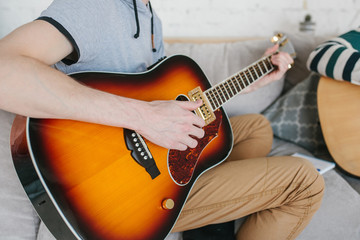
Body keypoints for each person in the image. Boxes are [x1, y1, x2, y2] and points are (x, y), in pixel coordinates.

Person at [0, 0, 324, 239]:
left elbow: (169, 97)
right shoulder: (95, 7)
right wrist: (144, 116)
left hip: (160, 157)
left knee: (256, 127)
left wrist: (249, 80)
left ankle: (206, 224)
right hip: (123, 192)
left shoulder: (149, 17)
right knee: (304, 181)